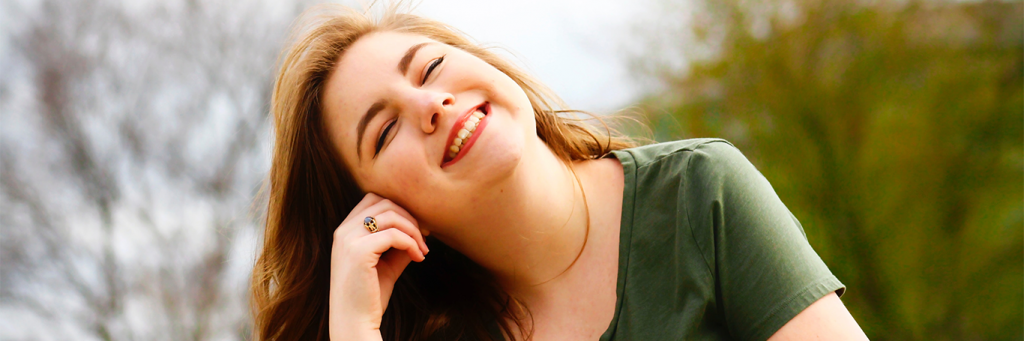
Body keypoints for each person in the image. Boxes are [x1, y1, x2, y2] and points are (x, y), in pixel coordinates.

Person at [250, 4, 869, 341]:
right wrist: (354, 332)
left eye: (430, 67)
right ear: (374, 212)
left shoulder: (698, 195)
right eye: (384, 132)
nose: (429, 105)